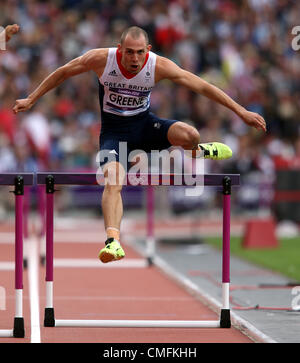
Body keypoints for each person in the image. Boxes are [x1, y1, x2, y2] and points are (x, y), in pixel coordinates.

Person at [13, 26, 266, 263]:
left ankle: (197, 151)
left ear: (149, 50)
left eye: (140, 52)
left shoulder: (158, 65)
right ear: (119, 49)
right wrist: (32, 98)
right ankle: (113, 242)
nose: (135, 59)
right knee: (113, 179)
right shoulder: (101, 59)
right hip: (114, 134)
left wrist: (241, 111)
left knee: (190, 134)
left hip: (146, 128)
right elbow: (64, 71)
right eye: (130, 52)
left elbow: (201, 85)